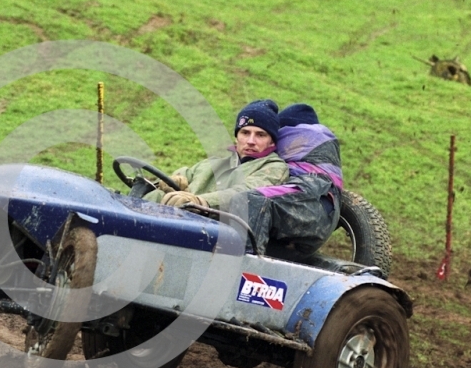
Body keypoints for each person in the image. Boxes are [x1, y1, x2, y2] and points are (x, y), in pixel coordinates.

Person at [143, 99, 289, 210]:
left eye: (260, 135)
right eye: (245, 133)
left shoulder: (274, 167)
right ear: (236, 137)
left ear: (272, 142)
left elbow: (245, 194)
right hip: (183, 218)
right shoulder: (217, 160)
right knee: (152, 196)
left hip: (219, 232)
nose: (250, 141)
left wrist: (200, 202)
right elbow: (187, 174)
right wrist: (172, 181)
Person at [245, 103, 343, 258]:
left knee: (253, 200)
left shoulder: (300, 138)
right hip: (325, 211)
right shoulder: (323, 146)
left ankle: (244, 266)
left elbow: (255, 155)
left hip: (309, 199)